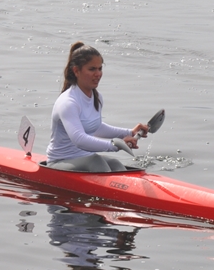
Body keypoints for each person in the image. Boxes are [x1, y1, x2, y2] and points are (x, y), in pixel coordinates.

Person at [45, 42, 150, 173]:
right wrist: (115, 145)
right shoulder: (68, 102)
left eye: (100, 69)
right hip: (59, 162)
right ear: (76, 71)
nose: (98, 74)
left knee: (115, 163)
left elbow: (95, 126)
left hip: (84, 159)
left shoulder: (97, 98)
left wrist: (129, 133)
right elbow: (79, 139)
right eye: (92, 69)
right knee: (96, 162)